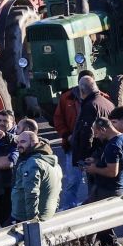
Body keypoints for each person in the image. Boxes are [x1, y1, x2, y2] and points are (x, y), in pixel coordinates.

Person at [81, 118, 123, 246]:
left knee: (89, 216)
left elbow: (112, 172)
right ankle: (106, 244)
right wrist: (96, 160)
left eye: (96, 133)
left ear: (103, 129)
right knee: (95, 215)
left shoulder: (113, 145)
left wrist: (93, 169)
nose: (96, 137)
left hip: (109, 190)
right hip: (118, 187)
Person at [71, 75, 114, 200]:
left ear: (82, 91)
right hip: (107, 153)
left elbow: (86, 133)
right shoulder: (108, 103)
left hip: (94, 156)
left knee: (95, 194)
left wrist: (83, 158)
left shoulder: (90, 106)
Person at [10, 131, 62, 223]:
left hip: (25, 218)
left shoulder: (33, 163)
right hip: (47, 215)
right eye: (17, 142)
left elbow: (31, 193)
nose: (18, 145)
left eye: (23, 142)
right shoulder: (51, 161)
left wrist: (32, 220)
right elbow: (58, 192)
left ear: (33, 143)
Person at [52, 74, 86, 210]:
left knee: (93, 179)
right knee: (73, 180)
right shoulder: (66, 98)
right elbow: (58, 120)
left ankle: (94, 205)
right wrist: (67, 135)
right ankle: (68, 208)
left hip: (94, 147)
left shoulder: (100, 97)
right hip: (72, 146)